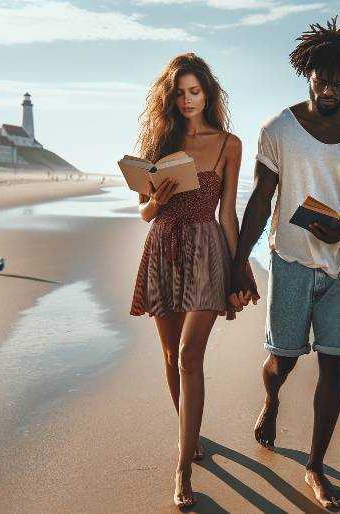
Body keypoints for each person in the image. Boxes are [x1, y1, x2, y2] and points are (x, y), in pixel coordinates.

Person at [228, 17, 340, 509]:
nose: (330, 88)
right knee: (282, 361)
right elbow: (262, 199)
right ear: (308, 73)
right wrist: (239, 262)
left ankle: (315, 466)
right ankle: (271, 400)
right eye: (322, 78)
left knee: (334, 367)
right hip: (291, 261)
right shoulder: (278, 129)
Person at [130, 52, 258, 508]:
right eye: (180, 93)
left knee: (188, 355)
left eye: (195, 91)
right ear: (170, 98)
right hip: (164, 246)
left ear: (208, 94)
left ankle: (182, 466)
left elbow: (228, 213)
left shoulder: (228, 144)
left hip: (207, 250)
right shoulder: (160, 143)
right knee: (170, 355)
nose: (187, 100)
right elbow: (145, 212)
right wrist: (156, 201)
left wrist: (241, 266)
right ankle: (191, 437)